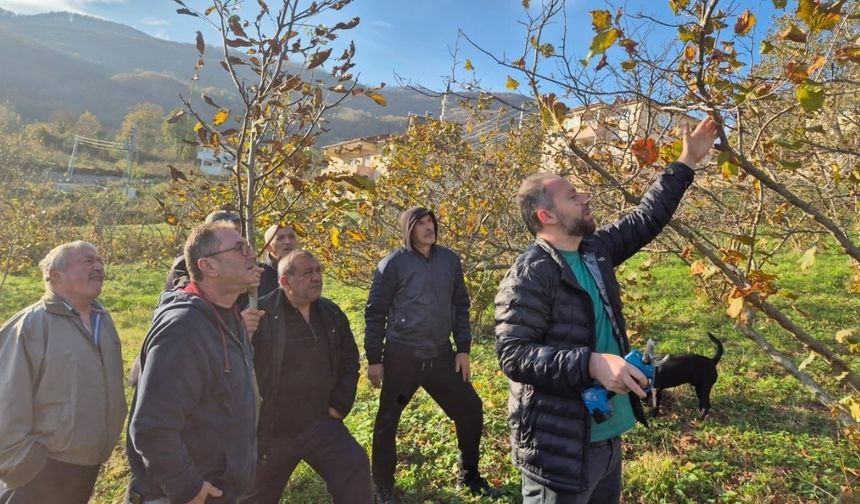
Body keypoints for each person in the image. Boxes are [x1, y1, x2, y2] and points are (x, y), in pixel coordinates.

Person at [494, 117, 720, 503]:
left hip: (608, 434)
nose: (585, 198)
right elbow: (513, 354)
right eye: (572, 197)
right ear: (547, 216)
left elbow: (646, 217)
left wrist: (687, 161)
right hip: (560, 449)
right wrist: (592, 364)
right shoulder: (530, 274)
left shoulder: (593, 251)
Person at [365, 207, 501, 503]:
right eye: (421, 224)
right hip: (402, 357)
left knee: (470, 408)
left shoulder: (449, 260)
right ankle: (383, 488)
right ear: (408, 230)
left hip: (440, 355)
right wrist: (374, 358)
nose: (429, 228)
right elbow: (375, 312)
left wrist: (463, 349)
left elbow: (460, 304)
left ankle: (469, 477)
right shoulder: (393, 264)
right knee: (388, 420)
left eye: (431, 222)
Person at [126, 222, 262, 504]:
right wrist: (187, 487)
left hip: (216, 491)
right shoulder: (184, 327)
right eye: (239, 248)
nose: (252, 254)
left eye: (248, 246)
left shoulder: (229, 315)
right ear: (208, 266)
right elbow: (152, 426)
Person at [0, 241, 127, 504]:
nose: (99, 267)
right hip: (39, 472)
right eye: (88, 261)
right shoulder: (30, 325)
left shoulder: (103, 320)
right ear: (55, 275)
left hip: (86, 466)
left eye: (99, 260)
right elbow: (6, 403)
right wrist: (24, 467)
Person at [240, 250, 371, 504]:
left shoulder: (330, 313)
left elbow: (349, 359)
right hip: (272, 432)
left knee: (354, 465)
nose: (317, 277)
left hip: (319, 424)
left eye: (318, 270)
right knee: (255, 497)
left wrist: (340, 404)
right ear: (285, 281)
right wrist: (242, 334)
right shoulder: (260, 314)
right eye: (308, 273)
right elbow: (232, 365)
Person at [164, 210, 243, 292]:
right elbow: (189, 293)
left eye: (238, 232)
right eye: (227, 233)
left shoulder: (243, 262)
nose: (236, 238)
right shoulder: (183, 264)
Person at [257, 224, 299, 297]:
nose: (288, 241)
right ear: (268, 247)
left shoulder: (307, 272)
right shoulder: (257, 276)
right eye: (280, 238)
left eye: (291, 236)